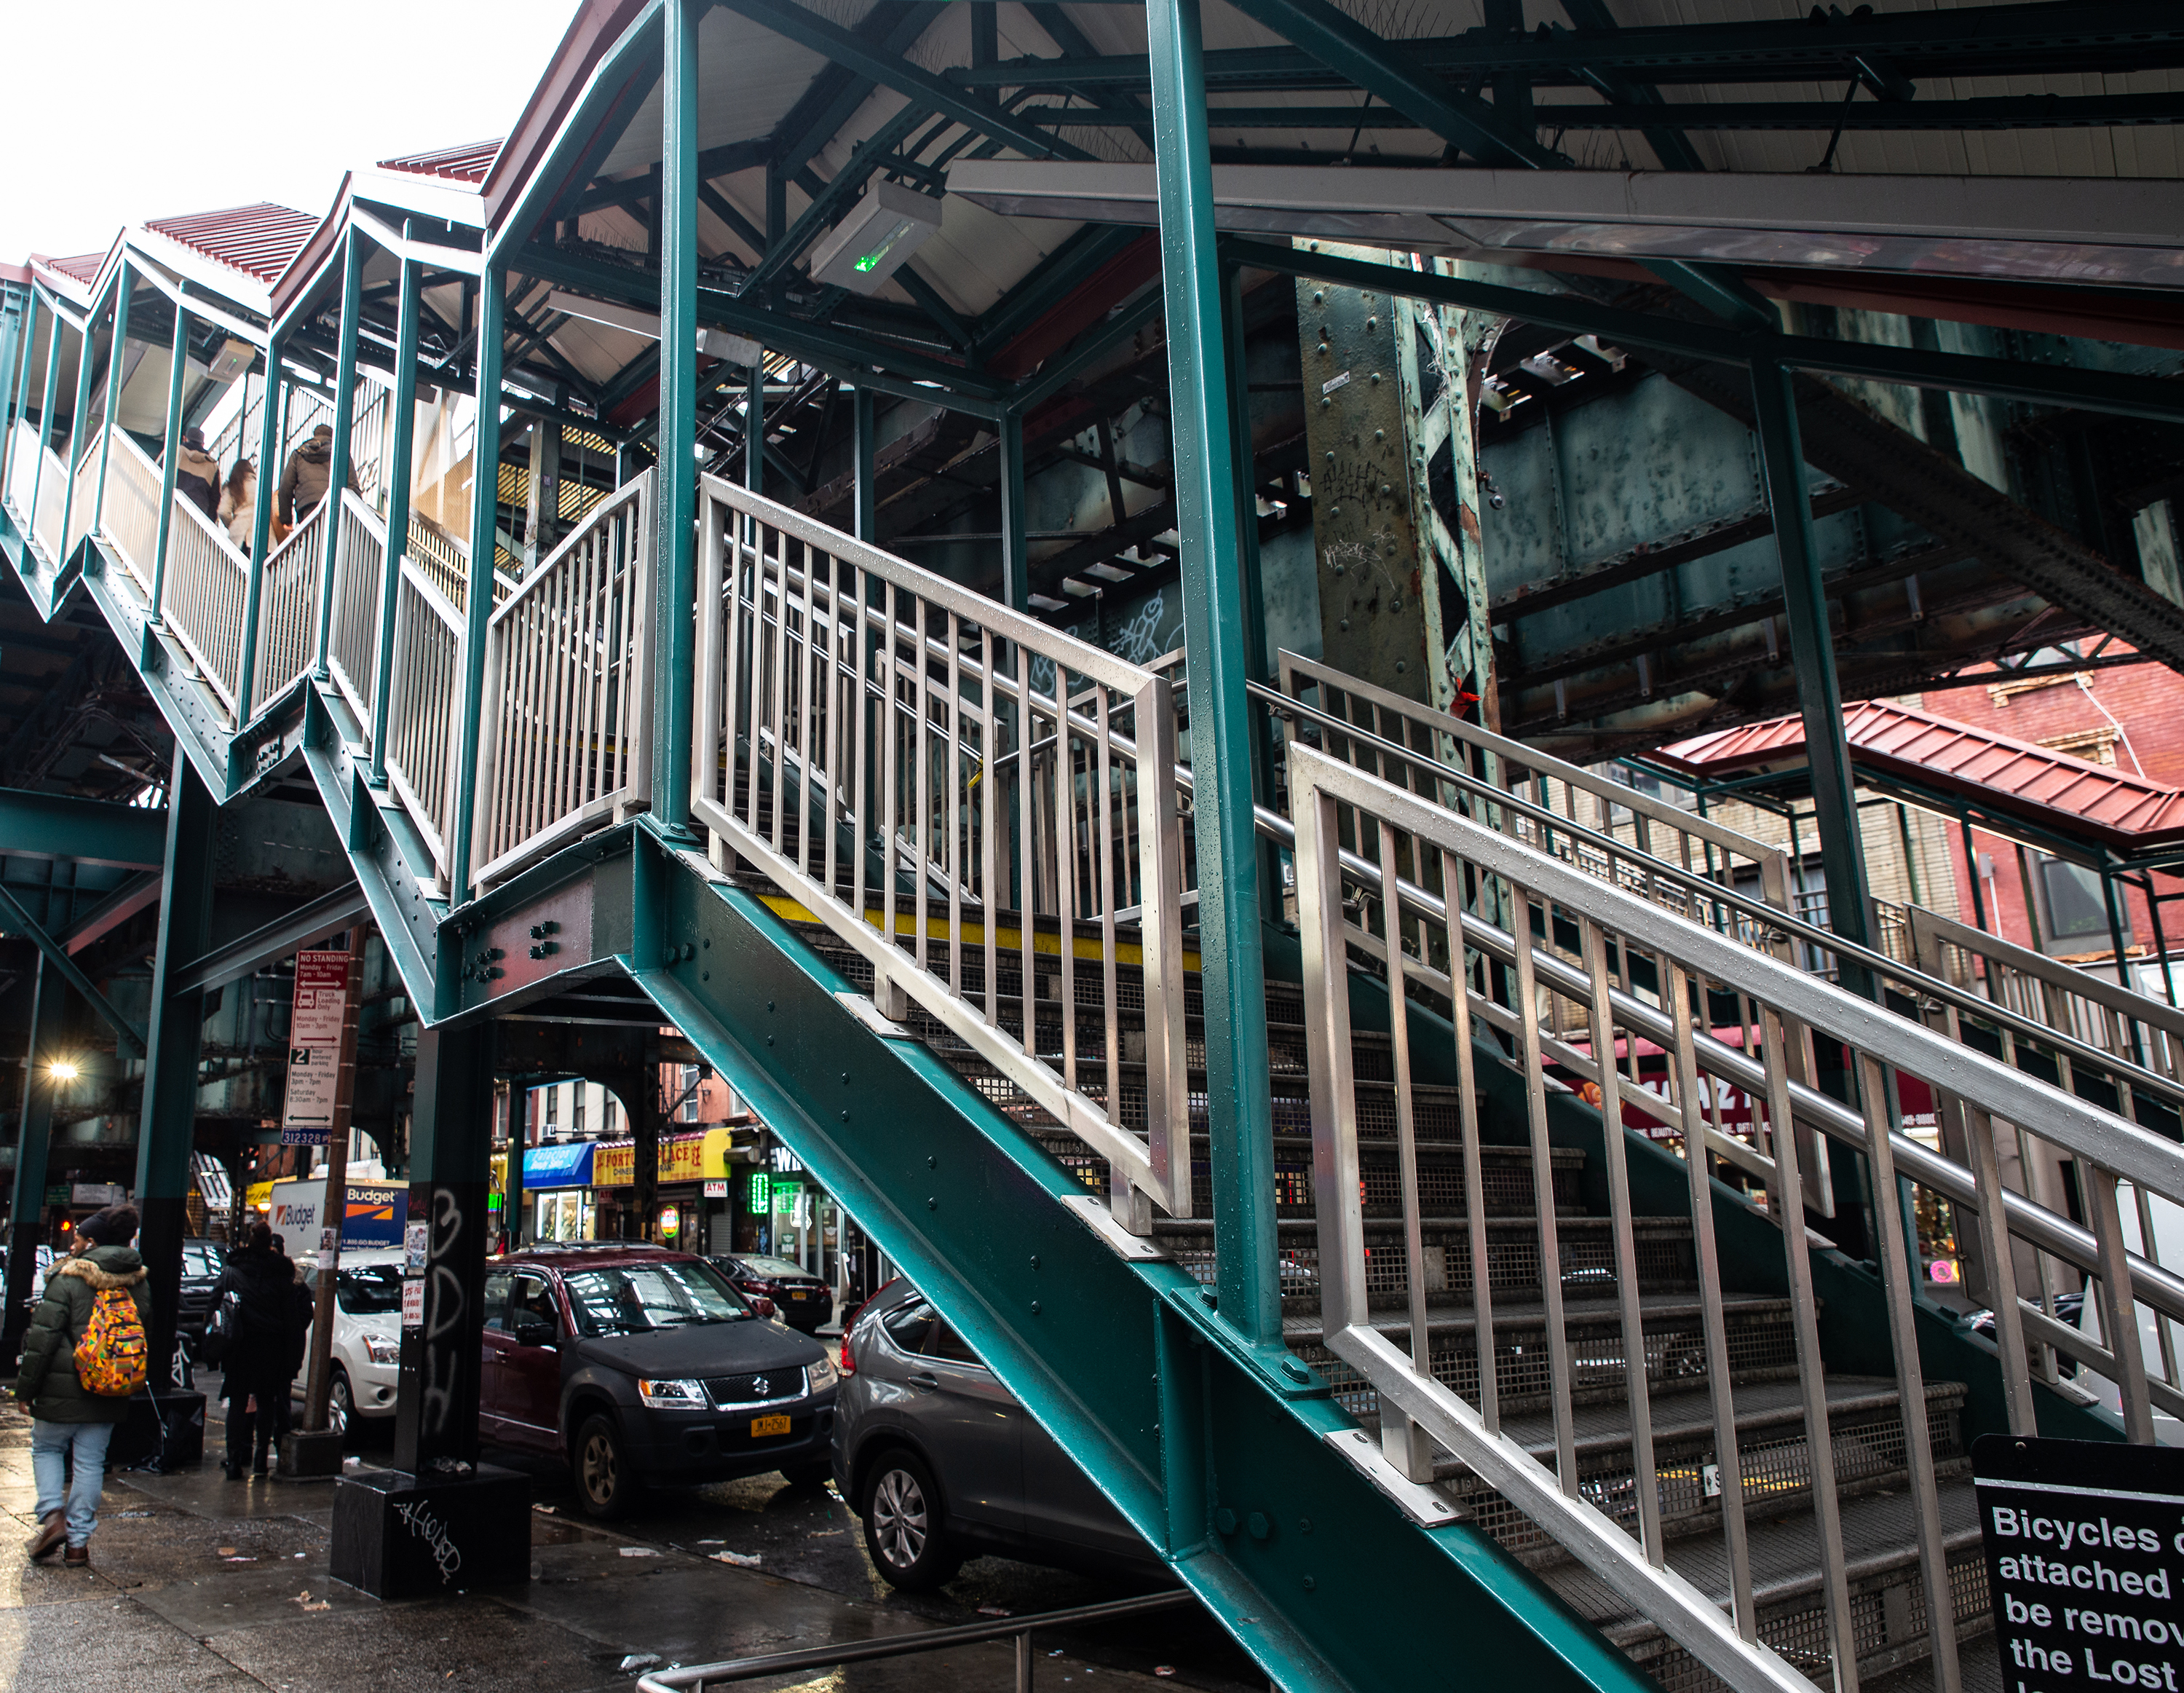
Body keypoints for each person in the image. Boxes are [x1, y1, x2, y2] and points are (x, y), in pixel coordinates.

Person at [16, 1205, 150, 1568]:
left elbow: (42, 1341)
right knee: (90, 1463)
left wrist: (26, 1390)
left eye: (77, 1237)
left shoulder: (68, 1279)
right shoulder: (137, 1281)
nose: (72, 1243)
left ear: (91, 1242)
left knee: (46, 1449)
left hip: (61, 1390)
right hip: (110, 1388)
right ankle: (77, 1545)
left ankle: (53, 1517)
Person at [213, 1223, 309, 1479]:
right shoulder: (281, 1277)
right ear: (270, 1244)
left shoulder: (232, 1271)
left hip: (240, 1345)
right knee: (267, 1402)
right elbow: (293, 1321)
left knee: (238, 1402)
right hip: (271, 1347)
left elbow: (215, 1307)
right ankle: (260, 1462)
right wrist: (293, 1358)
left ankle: (233, 1461)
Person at [277, 423, 354, 529]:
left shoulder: (298, 454)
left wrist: (286, 520)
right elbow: (353, 486)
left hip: (308, 507)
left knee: (313, 541)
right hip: (334, 506)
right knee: (332, 537)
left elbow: (285, 487)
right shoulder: (341, 453)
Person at [174, 428, 221, 521]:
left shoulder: (176, 452)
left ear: (184, 439)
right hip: (198, 516)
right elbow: (215, 500)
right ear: (203, 444)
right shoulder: (212, 466)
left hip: (174, 508)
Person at [217, 458, 255, 556]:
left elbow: (223, 512)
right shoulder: (260, 486)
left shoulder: (232, 487)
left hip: (241, 538)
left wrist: (232, 525)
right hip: (266, 541)